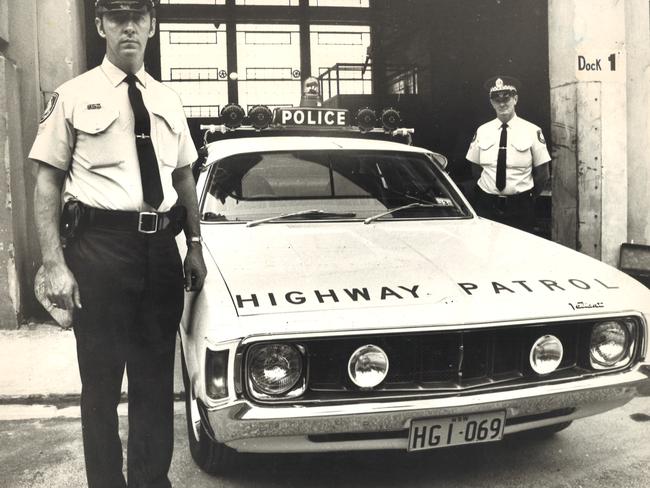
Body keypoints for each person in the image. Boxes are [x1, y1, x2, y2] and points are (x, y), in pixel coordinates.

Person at [29, 1, 207, 487]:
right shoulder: (72, 95)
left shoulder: (168, 100)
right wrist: (54, 264)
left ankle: (150, 482)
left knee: (154, 383)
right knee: (102, 386)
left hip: (160, 251)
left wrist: (193, 243)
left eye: (138, 16)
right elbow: (47, 182)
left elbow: (184, 175)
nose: (128, 26)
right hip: (100, 251)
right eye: (116, 15)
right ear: (100, 24)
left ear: (151, 25)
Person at [466, 76, 551, 232]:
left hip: (520, 207)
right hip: (487, 205)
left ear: (515, 99)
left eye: (507, 97)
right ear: (491, 102)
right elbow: (476, 169)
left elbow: (543, 174)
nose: (502, 103)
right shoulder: (482, 131)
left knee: (519, 253)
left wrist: (528, 198)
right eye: (497, 99)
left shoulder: (532, 131)